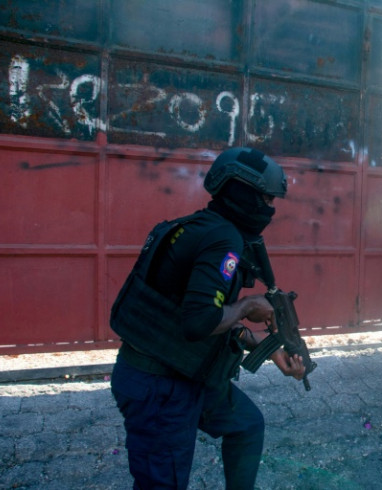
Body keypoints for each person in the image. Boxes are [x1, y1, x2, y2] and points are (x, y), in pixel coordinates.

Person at [109, 147, 306, 489]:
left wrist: (268, 346)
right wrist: (247, 306)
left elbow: (201, 318)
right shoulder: (222, 239)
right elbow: (199, 321)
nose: (270, 209)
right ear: (240, 191)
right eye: (265, 198)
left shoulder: (202, 228)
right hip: (160, 387)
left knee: (246, 426)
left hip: (183, 374)